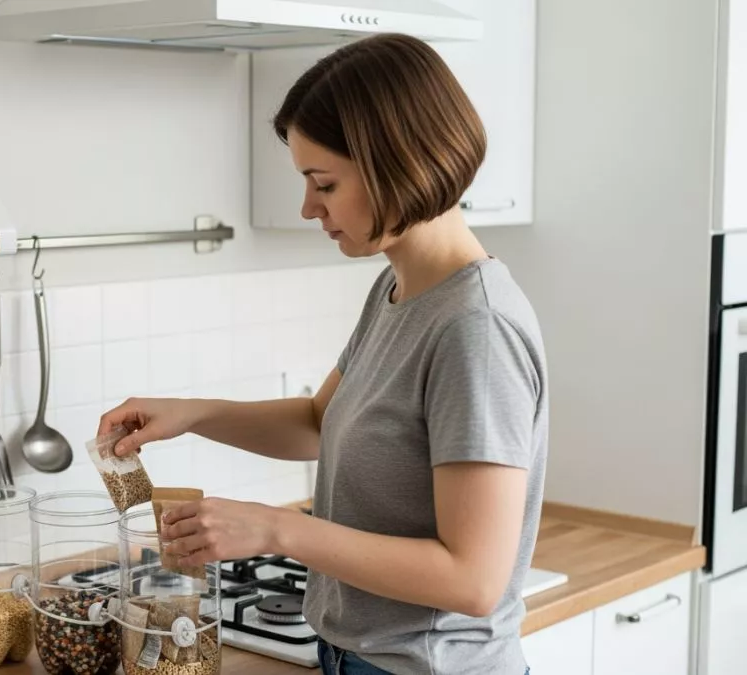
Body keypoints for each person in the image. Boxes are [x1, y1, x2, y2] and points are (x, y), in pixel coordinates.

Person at [97, 33, 546, 675]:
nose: (309, 208)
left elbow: (472, 579)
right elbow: (318, 422)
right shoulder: (399, 290)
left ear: (400, 163)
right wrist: (191, 412)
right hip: (354, 658)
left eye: (324, 183)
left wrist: (277, 530)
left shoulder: (475, 329)